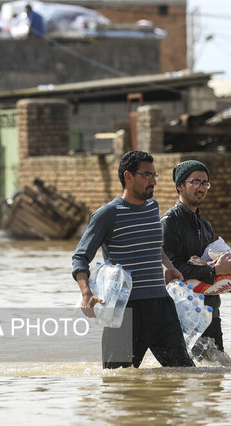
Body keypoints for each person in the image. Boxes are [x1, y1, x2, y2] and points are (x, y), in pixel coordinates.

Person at [72, 151, 194, 369]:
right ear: (128, 176)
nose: (153, 181)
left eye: (154, 175)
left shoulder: (152, 207)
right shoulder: (107, 214)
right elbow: (80, 256)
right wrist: (86, 294)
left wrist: (170, 266)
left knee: (184, 373)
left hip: (161, 306)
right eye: (147, 175)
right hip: (123, 312)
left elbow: (153, 243)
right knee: (117, 382)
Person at [161, 160, 231, 364]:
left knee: (215, 378)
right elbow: (173, 269)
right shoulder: (169, 223)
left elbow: (210, 271)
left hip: (211, 312)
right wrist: (214, 271)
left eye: (205, 183)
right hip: (184, 314)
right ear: (180, 185)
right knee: (192, 376)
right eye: (196, 182)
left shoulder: (205, 226)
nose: (202, 188)